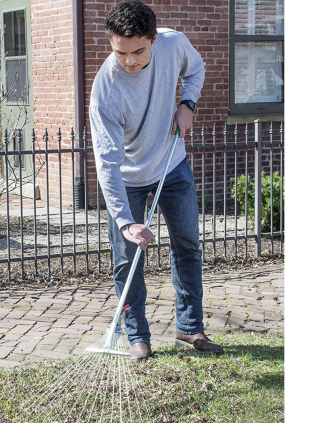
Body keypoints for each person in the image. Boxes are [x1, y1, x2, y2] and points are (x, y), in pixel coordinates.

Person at [90, 0, 223, 361]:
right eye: (120, 52)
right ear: (110, 44)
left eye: (138, 51)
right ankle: (137, 337)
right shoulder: (106, 91)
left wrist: (188, 103)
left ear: (153, 39)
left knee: (187, 246)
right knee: (126, 258)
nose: (130, 61)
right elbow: (107, 164)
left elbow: (195, 70)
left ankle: (189, 327)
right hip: (129, 176)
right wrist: (125, 221)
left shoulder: (173, 43)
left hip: (172, 162)